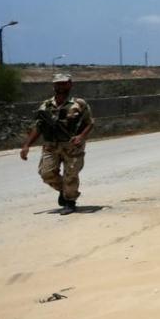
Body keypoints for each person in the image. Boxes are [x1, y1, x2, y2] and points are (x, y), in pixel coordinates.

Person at [20, 72, 94, 213]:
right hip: (51, 145)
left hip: (72, 145)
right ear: (54, 85)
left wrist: (81, 137)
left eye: (63, 83)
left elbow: (90, 123)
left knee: (71, 174)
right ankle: (63, 190)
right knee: (46, 173)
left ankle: (70, 201)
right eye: (57, 83)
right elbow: (38, 127)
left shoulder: (79, 104)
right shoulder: (46, 106)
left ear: (70, 84)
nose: (60, 86)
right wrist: (26, 145)